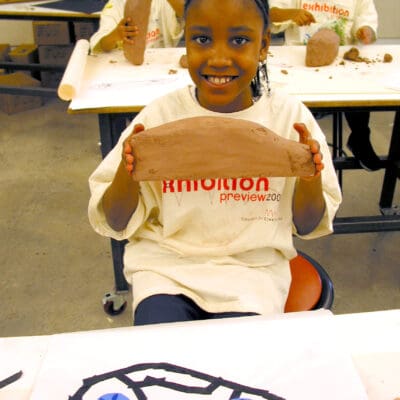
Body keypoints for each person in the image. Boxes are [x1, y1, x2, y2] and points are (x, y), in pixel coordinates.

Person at [88, 0, 342, 326]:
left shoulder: (289, 121)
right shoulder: (160, 117)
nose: (219, 59)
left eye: (239, 40)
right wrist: (129, 170)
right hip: (167, 268)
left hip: (253, 270)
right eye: (202, 40)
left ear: (263, 46)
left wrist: (308, 174)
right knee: (160, 350)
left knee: (236, 363)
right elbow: (115, 220)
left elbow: (307, 226)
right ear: (185, 41)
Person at [269, 0, 381, 171]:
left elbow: (367, 21)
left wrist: (366, 32)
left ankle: (360, 138)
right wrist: (290, 14)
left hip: (342, 61)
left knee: (359, 88)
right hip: (300, 63)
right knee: (289, 105)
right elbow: (269, 14)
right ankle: (294, 145)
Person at [90, 0, 185, 53]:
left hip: (161, 65)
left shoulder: (162, 2)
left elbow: (187, 15)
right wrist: (116, 35)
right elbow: (102, 45)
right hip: (125, 68)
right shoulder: (114, 6)